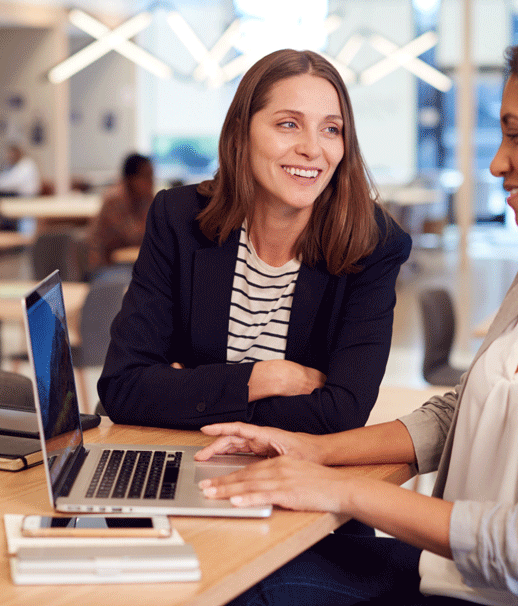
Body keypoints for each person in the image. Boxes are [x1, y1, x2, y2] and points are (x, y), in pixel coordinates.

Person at [195, 27, 518, 606]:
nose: (498, 162)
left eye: (515, 135)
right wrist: (312, 451)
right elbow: (464, 410)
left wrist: (336, 491)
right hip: (453, 578)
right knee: (236, 567)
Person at [98, 49, 411, 434]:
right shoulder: (179, 219)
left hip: (297, 474)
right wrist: (262, 380)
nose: (313, 149)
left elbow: (341, 411)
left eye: (331, 129)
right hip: (184, 460)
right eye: (288, 124)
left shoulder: (373, 242)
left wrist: (190, 391)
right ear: (241, 131)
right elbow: (124, 387)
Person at [86, 152, 155, 272]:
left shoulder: (143, 200)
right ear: (130, 179)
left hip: (128, 264)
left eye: (152, 176)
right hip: (104, 266)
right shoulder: (115, 201)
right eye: (146, 176)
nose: (151, 182)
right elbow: (135, 236)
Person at [0, 141, 42, 231]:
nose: (8, 156)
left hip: (27, 198)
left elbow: (10, 182)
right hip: (18, 196)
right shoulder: (15, 165)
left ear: (17, 152)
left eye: (10, 153)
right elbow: (5, 179)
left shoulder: (26, 165)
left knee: (25, 222)